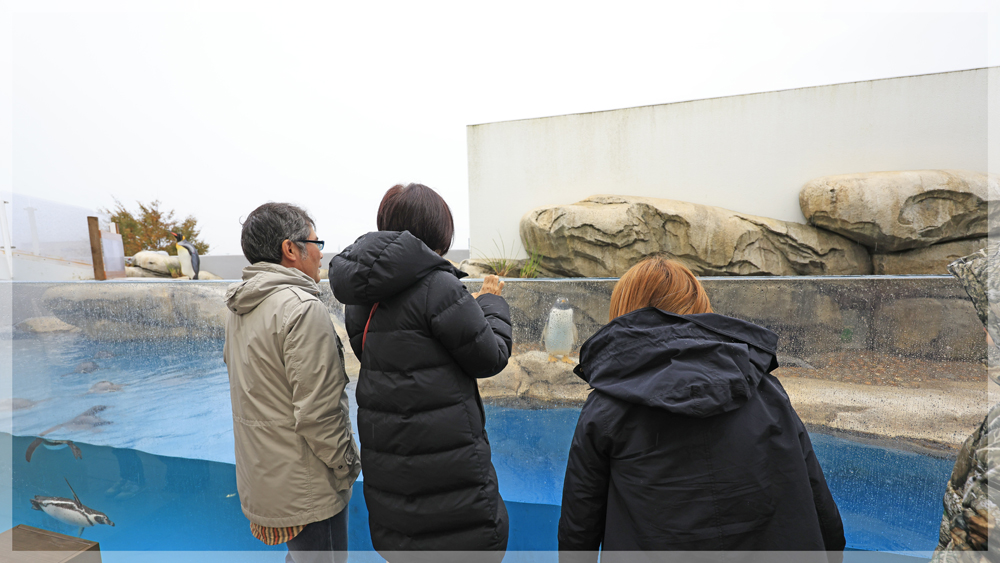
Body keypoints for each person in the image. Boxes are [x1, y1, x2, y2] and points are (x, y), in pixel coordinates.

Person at [558, 256, 846, 562]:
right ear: (699, 305)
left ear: (624, 312)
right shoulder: (764, 389)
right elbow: (820, 504)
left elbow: (580, 527)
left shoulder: (607, 407)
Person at [329, 183, 512, 561]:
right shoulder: (438, 285)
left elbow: (399, 350)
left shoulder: (360, 295)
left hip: (392, 479)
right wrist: (491, 303)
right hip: (450, 483)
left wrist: (464, 307)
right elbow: (490, 357)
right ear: (436, 233)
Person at [223, 202, 361, 563]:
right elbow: (319, 412)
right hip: (308, 487)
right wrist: (348, 466)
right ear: (290, 249)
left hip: (266, 481)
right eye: (316, 242)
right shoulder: (302, 308)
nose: (321, 252)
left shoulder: (241, 308)